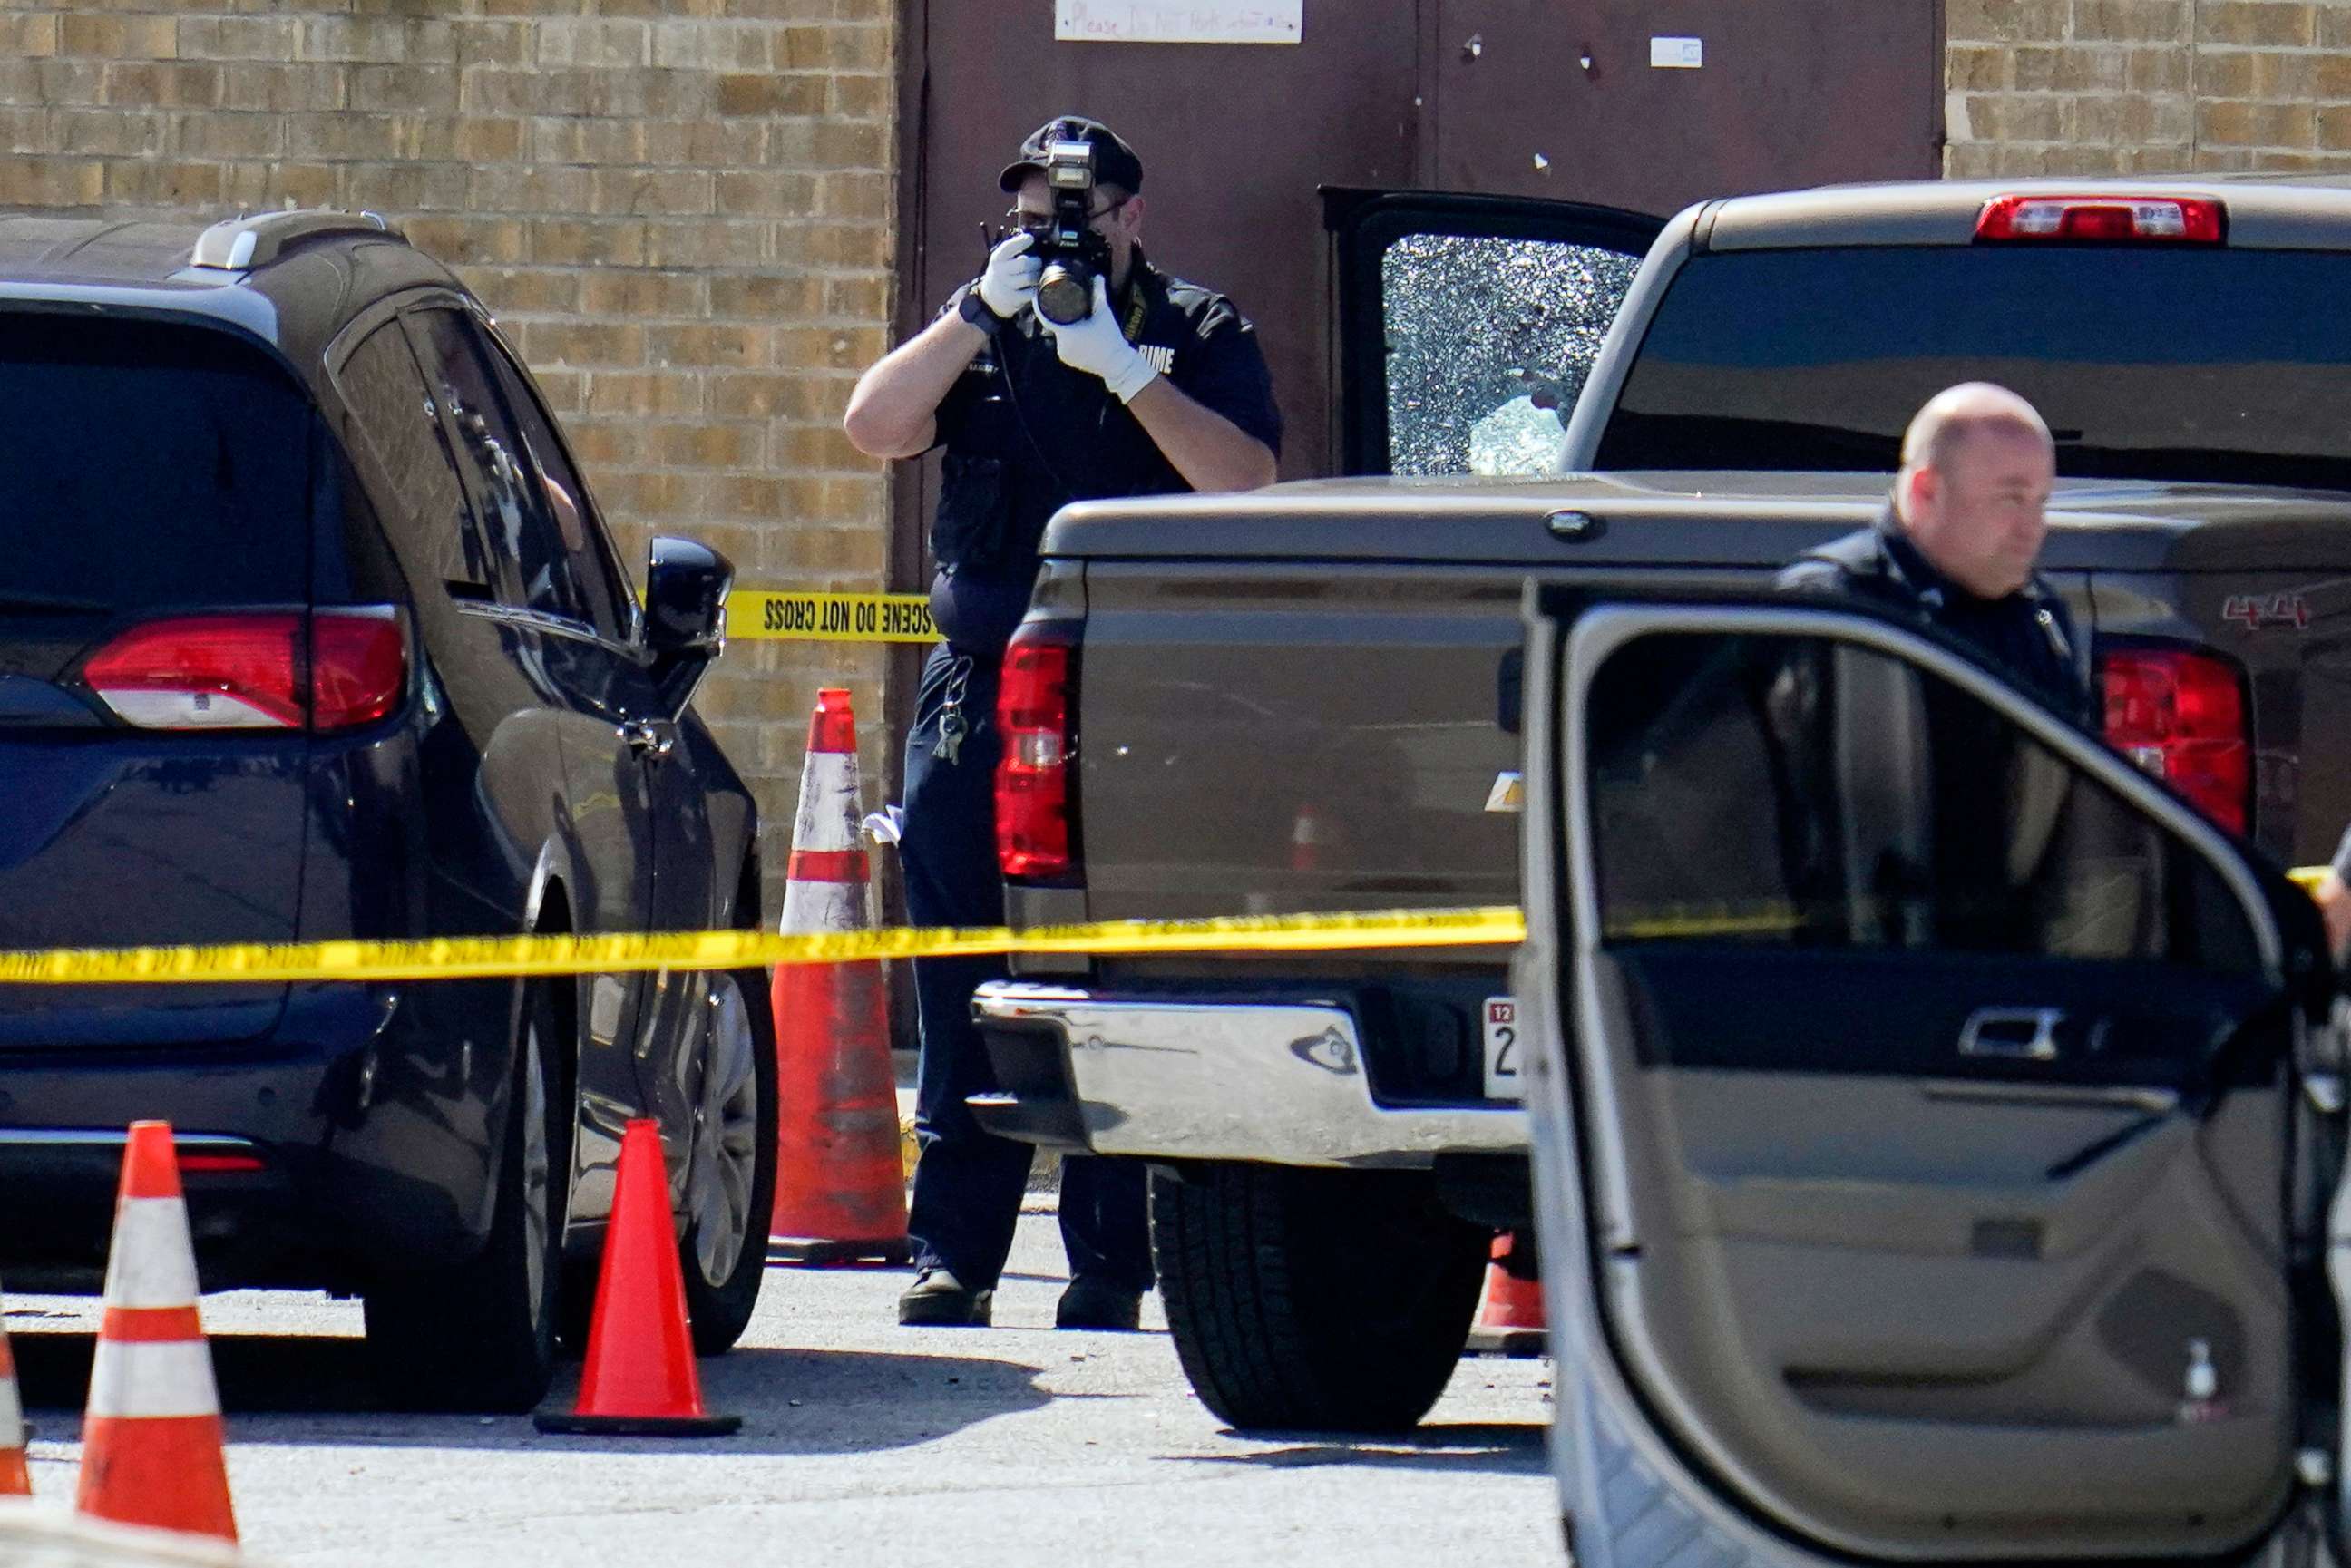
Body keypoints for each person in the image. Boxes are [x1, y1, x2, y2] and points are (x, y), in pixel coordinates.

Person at [842, 115, 1283, 1330]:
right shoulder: (982, 327)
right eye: (1033, 216)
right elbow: (873, 426)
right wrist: (974, 318)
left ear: (1131, 218)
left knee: (1124, 968)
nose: (1054, 237)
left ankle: (1108, 1261)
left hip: (1143, 692)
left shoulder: (1197, 330)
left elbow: (1245, 481)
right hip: (984, 685)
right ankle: (956, 1254)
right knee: (964, 975)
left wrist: (1126, 372)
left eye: (1074, 216)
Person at [1779, 382, 2090, 720]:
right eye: (2010, 499)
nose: (2033, 528)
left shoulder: (2040, 613)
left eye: (2040, 502)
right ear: (1927, 491)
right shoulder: (1842, 603)